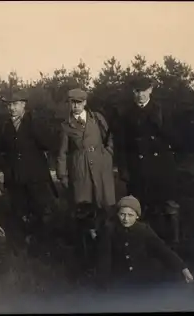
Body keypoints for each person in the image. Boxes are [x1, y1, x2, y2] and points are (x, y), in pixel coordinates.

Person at [56, 88, 118, 270]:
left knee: (105, 209)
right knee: (84, 212)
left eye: (79, 102)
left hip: (100, 169)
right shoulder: (66, 126)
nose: (75, 106)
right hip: (81, 172)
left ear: (85, 103)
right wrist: (63, 175)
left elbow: (110, 137)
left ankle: (108, 254)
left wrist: (107, 154)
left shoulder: (97, 118)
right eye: (72, 103)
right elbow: (62, 152)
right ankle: (87, 258)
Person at [117, 77, 181, 246]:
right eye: (137, 91)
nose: (140, 95)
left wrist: (160, 125)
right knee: (141, 205)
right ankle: (143, 242)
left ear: (151, 91)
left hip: (162, 167)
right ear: (133, 93)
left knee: (169, 205)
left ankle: (174, 242)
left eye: (144, 91)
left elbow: (175, 138)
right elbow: (121, 145)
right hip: (138, 167)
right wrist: (124, 169)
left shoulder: (161, 110)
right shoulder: (126, 115)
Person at [0, 89, 58, 249]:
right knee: (19, 212)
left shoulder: (34, 122)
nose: (11, 108)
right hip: (15, 179)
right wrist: (5, 166)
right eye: (9, 105)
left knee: (42, 211)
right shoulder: (5, 127)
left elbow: (48, 143)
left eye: (15, 104)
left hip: (36, 178)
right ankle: (24, 245)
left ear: (23, 105)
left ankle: (44, 245)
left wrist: (34, 125)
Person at [97, 195, 194, 290]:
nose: (126, 219)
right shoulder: (109, 230)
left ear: (137, 216)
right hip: (119, 281)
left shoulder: (143, 230)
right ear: (117, 214)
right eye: (122, 214)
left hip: (142, 281)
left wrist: (183, 268)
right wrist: (103, 286)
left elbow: (163, 251)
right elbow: (104, 260)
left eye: (130, 215)